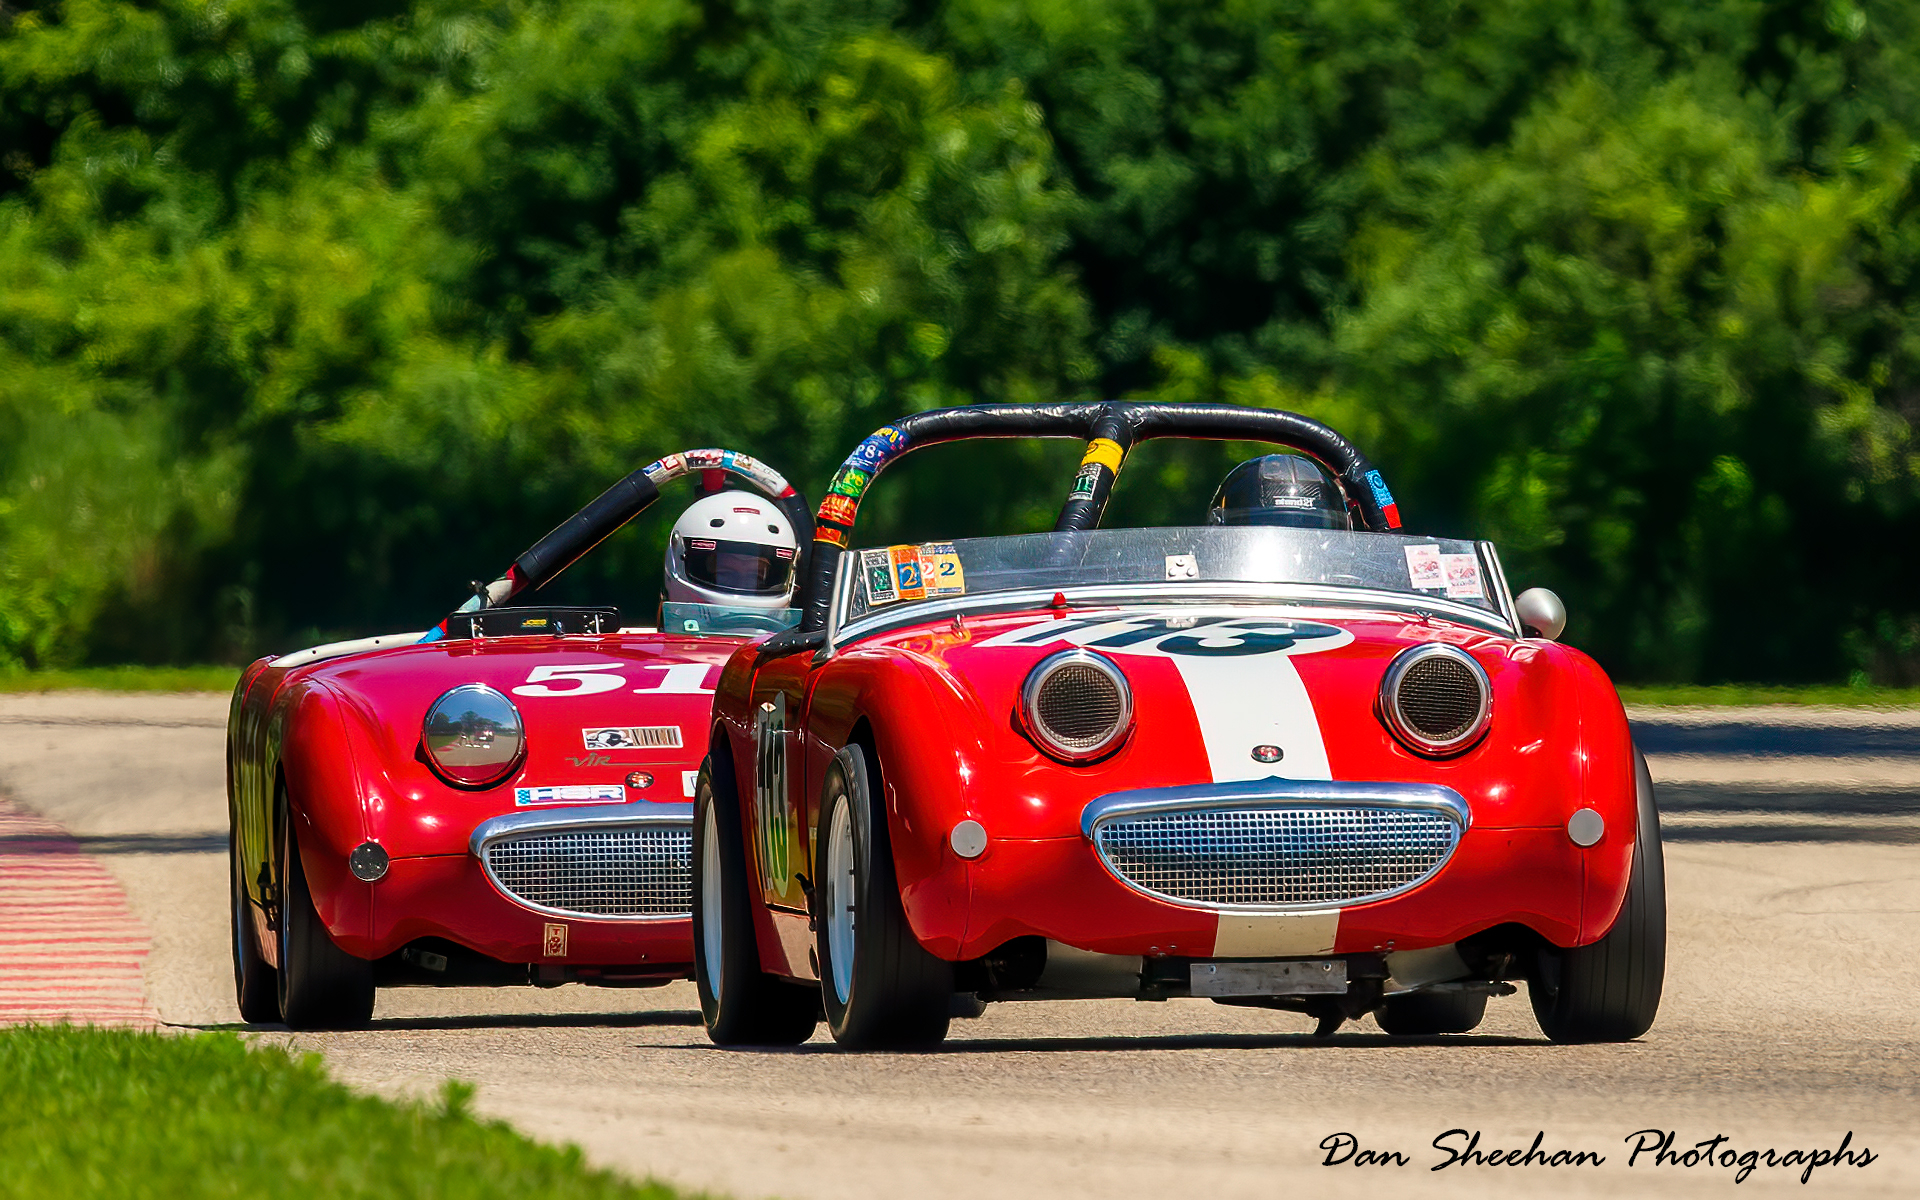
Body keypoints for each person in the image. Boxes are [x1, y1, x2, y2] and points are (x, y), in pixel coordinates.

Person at [662, 490, 801, 610]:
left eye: (755, 577)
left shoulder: (800, 641)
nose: (742, 585)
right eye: (725, 574)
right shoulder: (648, 641)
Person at [1205, 454, 1353, 530]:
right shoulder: (1197, 586)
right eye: (1261, 533)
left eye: (1317, 538)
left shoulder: (1359, 586)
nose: (1295, 555)